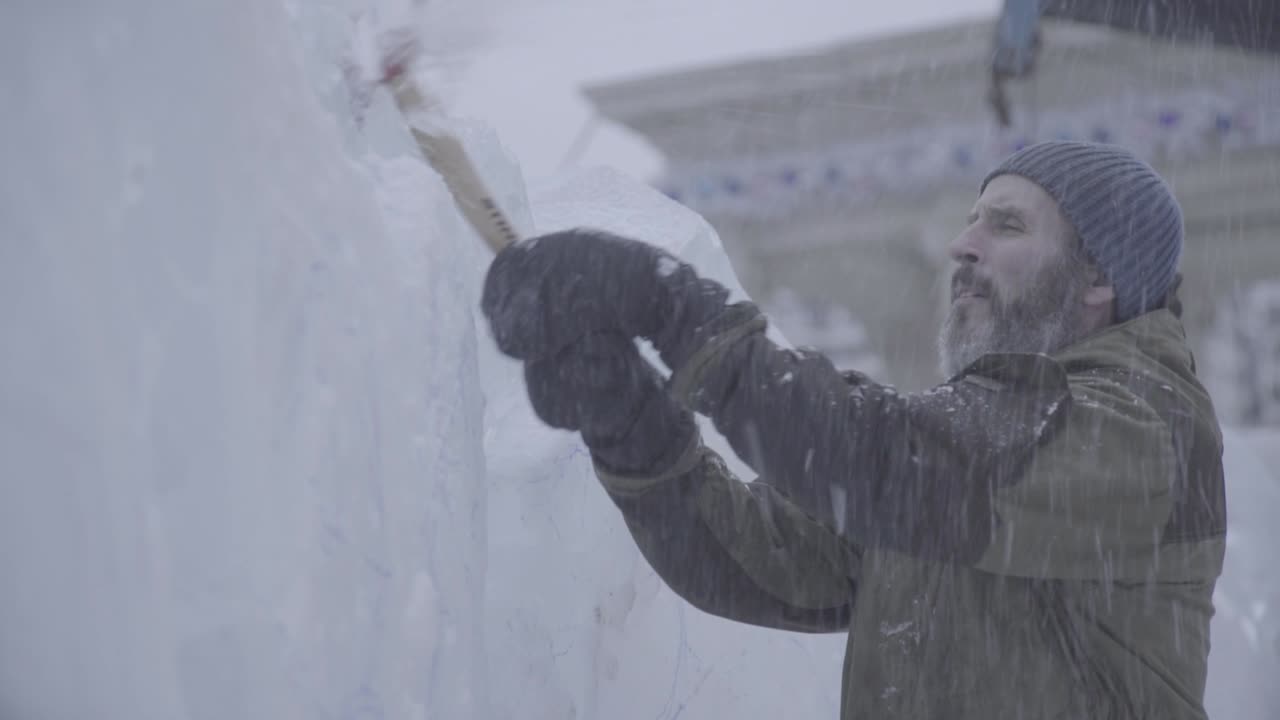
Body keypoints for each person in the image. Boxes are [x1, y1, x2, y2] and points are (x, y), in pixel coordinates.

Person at [481, 141, 1226, 719]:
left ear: (1098, 279)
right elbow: (751, 561)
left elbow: (881, 458)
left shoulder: (1144, 422)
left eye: (1006, 225)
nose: (963, 246)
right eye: (971, 220)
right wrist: (630, 420)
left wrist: (672, 308)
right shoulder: (949, 463)